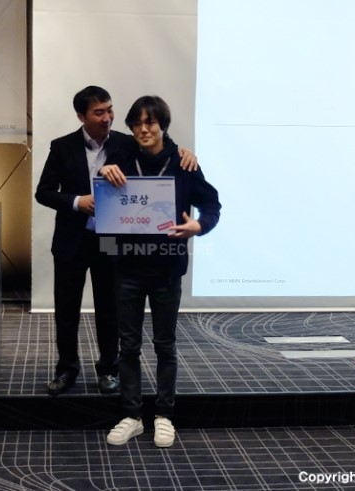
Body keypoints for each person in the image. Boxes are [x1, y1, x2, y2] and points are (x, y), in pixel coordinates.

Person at [35, 86, 198, 396]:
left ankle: (108, 369)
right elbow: (43, 192)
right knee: (66, 309)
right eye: (99, 112)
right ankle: (66, 368)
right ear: (81, 116)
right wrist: (77, 202)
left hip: (111, 240)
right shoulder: (62, 146)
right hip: (72, 240)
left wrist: (183, 152)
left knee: (110, 308)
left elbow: (160, 144)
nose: (107, 117)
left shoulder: (125, 143)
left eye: (109, 110)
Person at [101, 96, 221, 448]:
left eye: (150, 122)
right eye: (137, 123)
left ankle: (164, 414)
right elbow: (104, 188)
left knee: (165, 345)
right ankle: (132, 415)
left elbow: (212, 204)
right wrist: (103, 172)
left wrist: (198, 226)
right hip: (127, 268)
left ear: (162, 125)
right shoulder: (122, 157)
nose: (143, 129)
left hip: (167, 268)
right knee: (128, 345)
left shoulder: (183, 163)